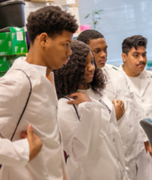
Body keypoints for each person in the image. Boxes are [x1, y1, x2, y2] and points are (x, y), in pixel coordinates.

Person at [0, 6, 78, 180]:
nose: (69, 52)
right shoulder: (19, 81)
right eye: (65, 44)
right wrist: (22, 151)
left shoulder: (47, 76)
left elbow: (52, 139)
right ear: (44, 39)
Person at [54, 40, 126, 180]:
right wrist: (87, 107)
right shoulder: (65, 104)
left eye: (91, 62)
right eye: (84, 64)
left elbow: (113, 138)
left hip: (115, 172)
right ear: (70, 67)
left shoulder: (99, 94)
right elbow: (79, 152)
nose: (91, 67)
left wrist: (123, 171)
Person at [77, 29, 142, 180]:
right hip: (107, 155)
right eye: (97, 51)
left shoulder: (116, 72)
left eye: (105, 50)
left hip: (133, 153)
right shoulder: (82, 84)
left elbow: (133, 107)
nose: (103, 54)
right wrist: (113, 114)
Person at [120, 35, 152, 180]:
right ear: (124, 56)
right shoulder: (115, 81)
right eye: (136, 55)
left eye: (144, 54)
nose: (142, 59)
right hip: (130, 150)